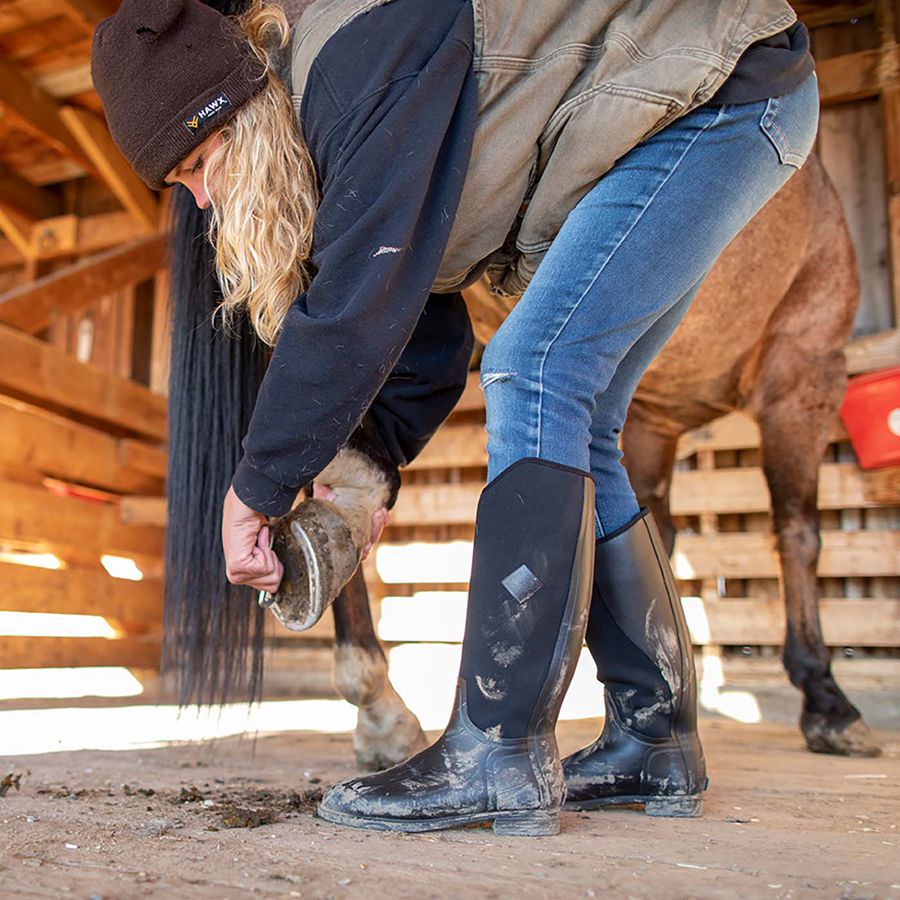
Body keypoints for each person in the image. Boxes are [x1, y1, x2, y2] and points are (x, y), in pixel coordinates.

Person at [92, 0, 818, 835]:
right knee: (583, 416)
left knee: (535, 369)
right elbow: (424, 327)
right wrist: (363, 468)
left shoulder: (354, 63)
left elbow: (354, 314)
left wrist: (256, 485)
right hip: (714, 106)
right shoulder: (319, 132)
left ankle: (498, 750)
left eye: (195, 165)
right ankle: (654, 741)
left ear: (233, 112)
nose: (205, 202)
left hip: (720, 95)